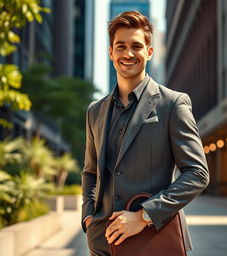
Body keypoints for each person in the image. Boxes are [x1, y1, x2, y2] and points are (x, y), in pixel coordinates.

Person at [81, 11, 209, 256]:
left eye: (136, 46)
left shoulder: (174, 104)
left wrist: (145, 215)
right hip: (101, 243)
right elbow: (90, 171)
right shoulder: (95, 111)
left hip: (151, 242)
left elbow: (198, 173)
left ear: (149, 52)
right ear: (111, 53)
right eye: (121, 46)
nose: (128, 54)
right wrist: (88, 217)